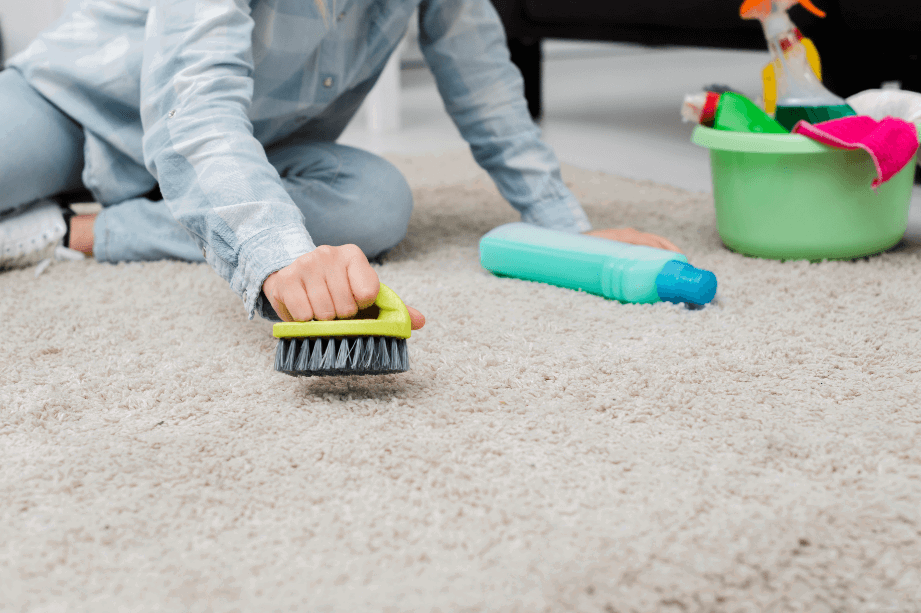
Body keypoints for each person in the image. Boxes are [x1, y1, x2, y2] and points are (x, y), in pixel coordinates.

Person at [0, 0, 682, 332]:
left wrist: (562, 224)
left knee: (374, 202)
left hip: (251, 149)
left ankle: (67, 233)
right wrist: (280, 258)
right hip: (79, 108)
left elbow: (483, 78)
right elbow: (194, 110)